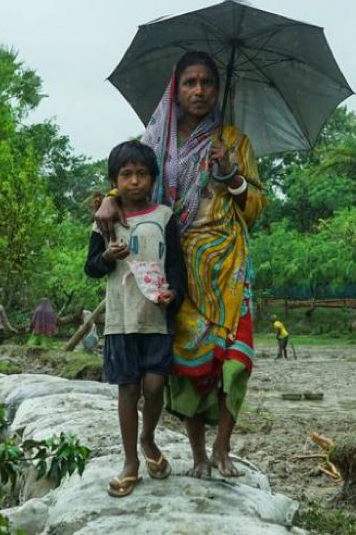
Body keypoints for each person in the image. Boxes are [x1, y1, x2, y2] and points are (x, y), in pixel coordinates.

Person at [95, 51, 266, 479]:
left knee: (233, 359)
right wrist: (111, 199)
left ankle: (224, 447)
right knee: (193, 360)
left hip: (228, 263)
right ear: (176, 88)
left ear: (218, 88)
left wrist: (231, 175)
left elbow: (256, 208)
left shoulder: (234, 142)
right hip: (176, 261)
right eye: (190, 82)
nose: (199, 91)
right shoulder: (157, 141)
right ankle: (198, 454)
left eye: (208, 82)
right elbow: (130, 182)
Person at [85, 139, 187, 497]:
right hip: (120, 321)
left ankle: (148, 437)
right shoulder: (104, 220)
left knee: (155, 386)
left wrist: (175, 292)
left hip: (156, 318)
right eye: (126, 174)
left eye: (142, 174)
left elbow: (176, 265)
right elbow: (92, 268)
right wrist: (108, 256)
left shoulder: (164, 217)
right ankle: (130, 462)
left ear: (153, 179)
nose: (134, 181)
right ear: (115, 179)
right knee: (128, 389)